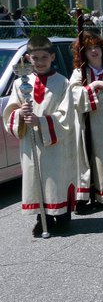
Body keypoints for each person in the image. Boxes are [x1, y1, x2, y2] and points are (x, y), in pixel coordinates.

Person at [2, 36, 76, 236]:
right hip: (31, 143)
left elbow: (66, 116)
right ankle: (41, 217)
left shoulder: (62, 83)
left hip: (54, 144)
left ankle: (61, 215)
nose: (40, 62)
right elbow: (10, 112)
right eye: (35, 58)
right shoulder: (20, 84)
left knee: (55, 179)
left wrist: (42, 122)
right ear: (28, 58)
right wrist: (21, 115)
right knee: (35, 179)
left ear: (52, 57)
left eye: (44, 57)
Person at [69, 31, 103, 213]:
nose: (94, 51)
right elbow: (71, 97)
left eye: (97, 47)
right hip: (83, 126)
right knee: (83, 162)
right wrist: (92, 87)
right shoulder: (79, 74)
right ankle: (82, 199)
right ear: (82, 53)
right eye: (89, 48)